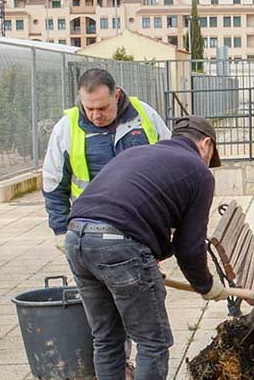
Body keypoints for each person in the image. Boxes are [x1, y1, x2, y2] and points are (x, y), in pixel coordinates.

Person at [63, 115, 227, 380]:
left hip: (78, 237)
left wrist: (143, 254)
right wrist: (206, 285)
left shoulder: (139, 155)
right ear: (206, 145)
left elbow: (143, 218)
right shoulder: (198, 172)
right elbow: (189, 246)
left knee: (107, 340)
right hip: (118, 243)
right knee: (153, 342)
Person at [42, 67, 169, 249]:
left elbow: (171, 163)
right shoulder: (66, 128)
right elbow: (53, 184)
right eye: (89, 108)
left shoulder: (144, 116)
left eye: (102, 107)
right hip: (92, 228)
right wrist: (61, 231)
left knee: (143, 277)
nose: (96, 115)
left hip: (143, 224)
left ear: (116, 96)